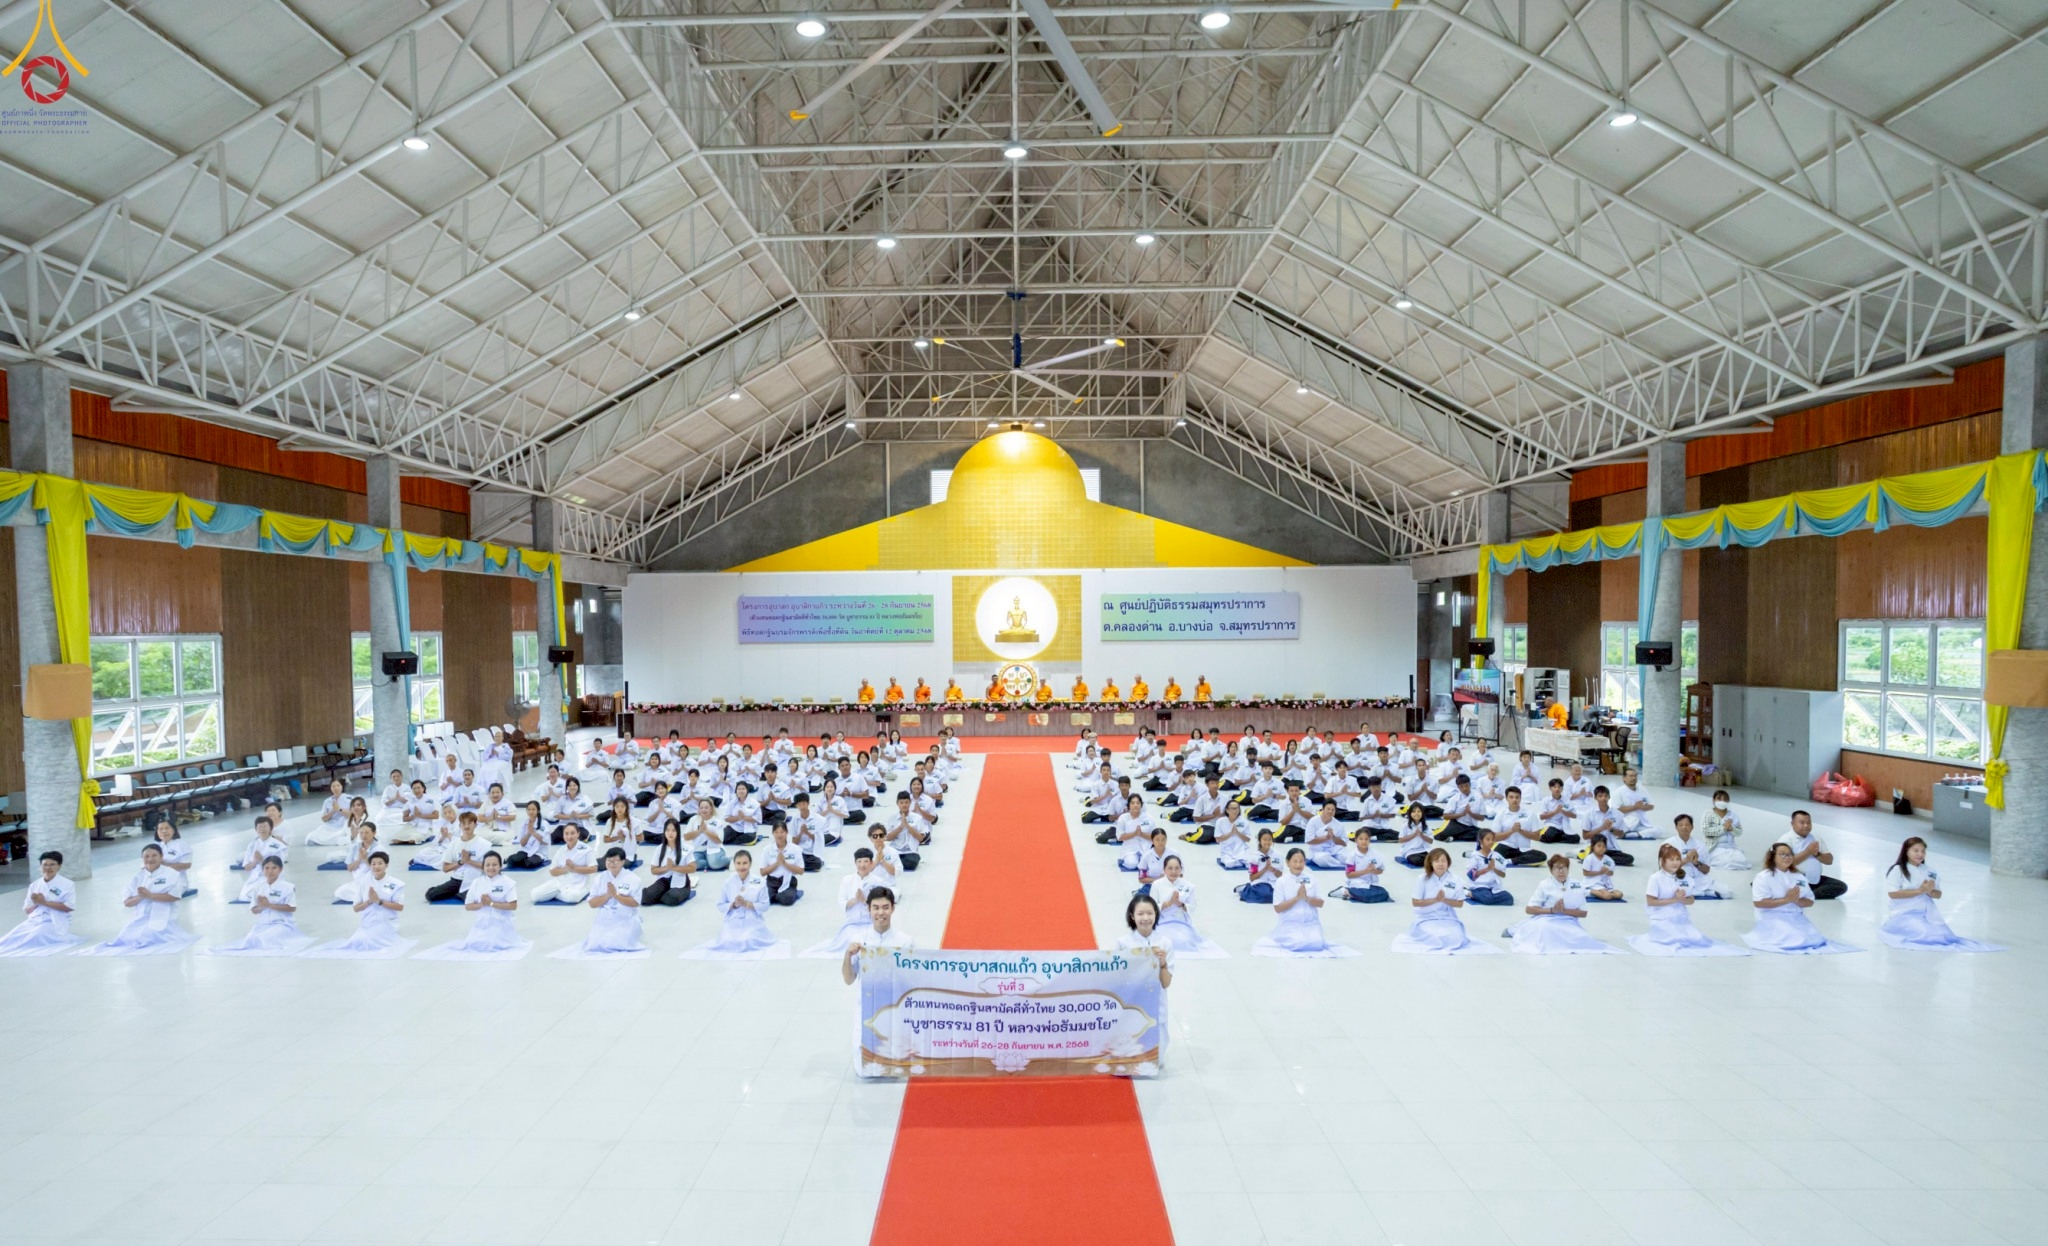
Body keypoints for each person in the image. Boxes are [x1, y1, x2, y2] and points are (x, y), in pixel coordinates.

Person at [1880, 837, 2002, 952]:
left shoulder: (1929, 870)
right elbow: (1893, 894)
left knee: (1943, 936)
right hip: (1904, 913)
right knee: (1924, 934)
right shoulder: (1898, 870)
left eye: (1923, 851)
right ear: (1906, 851)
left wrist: (1930, 892)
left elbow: (1938, 894)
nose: (1920, 854)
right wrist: (1920, 891)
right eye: (1916, 851)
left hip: (1926, 913)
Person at [1629, 844, 1749, 957]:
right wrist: (1674, 899)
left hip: (1680, 918)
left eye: (1677, 859)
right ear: (1662, 861)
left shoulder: (1685, 878)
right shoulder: (1655, 878)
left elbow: (1691, 900)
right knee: (1672, 939)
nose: (1675, 863)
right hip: (1661, 918)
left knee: (1696, 939)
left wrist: (1682, 900)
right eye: (1671, 860)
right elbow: (1651, 902)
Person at [78, 843, 197, 956]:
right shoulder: (138, 877)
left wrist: (150, 896)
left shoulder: (171, 874)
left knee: (147, 936)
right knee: (126, 937)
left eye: (154, 855)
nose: (150, 859)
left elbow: (175, 896)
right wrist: (141, 896)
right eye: (147, 856)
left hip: (163, 916)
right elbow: (127, 902)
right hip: (140, 917)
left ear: (161, 857)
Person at [1744, 842, 1860, 954]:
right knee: (1796, 939)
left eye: (1789, 854)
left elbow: (1810, 901)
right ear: (1772, 857)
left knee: (1815, 939)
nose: (1786, 857)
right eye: (1782, 854)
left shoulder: (1798, 877)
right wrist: (1786, 900)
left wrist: (1798, 901)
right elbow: (1759, 903)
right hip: (1772, 917)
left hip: (1796, 916)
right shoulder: (1763, 877)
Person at [415, 851, 532, 960]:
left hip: (502, 923)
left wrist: (491, 903)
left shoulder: (508, 882)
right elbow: (468, 906)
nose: (491, 868)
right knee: (476, 946)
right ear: (483, 867)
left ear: (500, 866)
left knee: (497, 945)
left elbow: (513, 906)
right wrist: (481, 904)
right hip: (481, 924)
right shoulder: (477, 882)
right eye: (488, 865)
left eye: (495, 865)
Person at [302, 852, 415, 959]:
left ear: (386, 865)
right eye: (373, 864)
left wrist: (379, 901)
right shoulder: (364, 882)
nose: (376, 866)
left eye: (380, 863)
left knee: (374, 942)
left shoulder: (396, 884)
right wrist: (369, 901)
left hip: (386, 923)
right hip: (367, 923)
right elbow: (356, 908)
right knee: (359, 942)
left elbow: (400, 907)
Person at [1504, 855, 1624, 954]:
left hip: (1568, 921)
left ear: (1568, 869)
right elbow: (1529, 909)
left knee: (1580, 938)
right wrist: (1553, 910)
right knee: (1544, 930)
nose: (1561, 871)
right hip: (1546, 918)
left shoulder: (1577, 885)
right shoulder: (1544, 884)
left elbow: (1583, 913)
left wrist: (1564, 911)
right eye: (1557, 868)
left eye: (1564, 868)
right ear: (1551, 870)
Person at [1391, 848, 1500, 955]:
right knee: (1436, 938)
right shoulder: (1422, 879)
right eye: (1437, 861)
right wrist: (1435, 900)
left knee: (1456, 938)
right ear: (1431, 863)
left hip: (1448, 917)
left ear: (1448, 862)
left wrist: (1444, 900)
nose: (1440, 864)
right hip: (1426, 917)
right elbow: (1415, 902)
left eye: (1443, 861)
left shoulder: (1456, 880)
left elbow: (1460, 904)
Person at [683, 850, 790, 959]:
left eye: (745, 863)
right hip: (733, 919)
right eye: (738, 863)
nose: (741, 867)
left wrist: (747, 904)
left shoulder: (759, 882)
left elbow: (765, 905)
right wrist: (733, 905)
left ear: (750, 864)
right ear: (734, 865)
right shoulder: (728, 882)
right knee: (728, 941)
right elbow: (720, 905)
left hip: (752, 919)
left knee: (749, 940)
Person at [1252, 848, 1358, 957]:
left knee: (1317, 943)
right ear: (1288, 862)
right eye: (1295, 861)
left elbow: (1320, 903)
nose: (1298, 865)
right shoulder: (1281, 881)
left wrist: (1307, 898)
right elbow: (1278, 908)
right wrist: (1297, 898)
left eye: (1301, 861)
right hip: (1290, 923)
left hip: (1310, 923)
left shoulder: (1312, 879)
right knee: (1297, 943)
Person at [209, 857, 315, 956]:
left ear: (280, 869)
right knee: (251, 939)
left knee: (267, 939)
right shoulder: (258, 887)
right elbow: (254, 910)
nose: (270, 871)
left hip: (282, 923)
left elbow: (292, 908)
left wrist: (269, 905)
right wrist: (262, 906)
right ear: (263, 870)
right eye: (267, 868)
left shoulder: (288, 887)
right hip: (263, 924)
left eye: (274, 868)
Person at [554, 848, 647, 959]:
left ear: (623, 862)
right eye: (608, 861)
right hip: (605, 916)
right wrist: (608, 895)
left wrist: (616, 895)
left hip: (626, 916)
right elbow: (592, 903)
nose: (611, 864)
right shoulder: (600, 878)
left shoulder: (634, 879)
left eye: (615, 861)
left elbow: (635, 903)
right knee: (595, 944)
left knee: (618, 943)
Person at [0, 851, 81, 956]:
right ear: (40, 866)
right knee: (12, 936)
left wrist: (44, 902)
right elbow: (27, 910)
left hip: (55, 920)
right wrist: (36, 903)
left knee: (36, 935)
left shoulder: (67, 884)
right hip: (35, 919)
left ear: (59, 866)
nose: (48, 868)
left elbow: (69, 907)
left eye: (52, 865)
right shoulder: (35, 885)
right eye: (45, 865)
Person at [1149, 854, 1225, 958]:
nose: (1174, 871)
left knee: (1183, 941)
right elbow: (1150, 908)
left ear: (1181, 869)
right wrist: (1168, 903)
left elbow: (1192, 906)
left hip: (1181, 921)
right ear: (1164, 870)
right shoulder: (1156, 884)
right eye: (1170, 868)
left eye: (1177, 868)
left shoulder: (1188, 886)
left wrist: (1181, 904)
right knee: (1163, 942)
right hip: (1161, 921)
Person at [839, 887, 913, 983]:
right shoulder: (858, 939)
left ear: (893, 909)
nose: (881, 912)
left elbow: (910, 979)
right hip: (866, 992)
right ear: (869, 909)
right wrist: (847, 955)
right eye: (876, 908)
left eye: (885, 907)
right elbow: (848, 980)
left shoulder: (905, 942)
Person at [1777, 810, 1845, 900]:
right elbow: (1783, 864)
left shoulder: (1815, 838)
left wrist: (1817, 854)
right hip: (1793, 878)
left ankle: (1806, 894)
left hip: (1813, 879)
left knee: (1840, 886)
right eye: (1802, 823)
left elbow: (1829, 861)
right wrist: (1807, 852)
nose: (1806, 825)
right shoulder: (1785, 840)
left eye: (1808, 823)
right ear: (1792, 823)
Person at [426, 813, 493, 903]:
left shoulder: (484, 844)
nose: (466, 826)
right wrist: (461, 862)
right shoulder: (454, 843)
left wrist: (469, 861)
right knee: (430, 895)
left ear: (475, 825)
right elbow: (445, 868)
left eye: (470, 823)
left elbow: (489, 868)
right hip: (457, 880)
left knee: (473, 899)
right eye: (464, 823)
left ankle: (461, 893)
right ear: (460, 825)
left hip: (476, 880)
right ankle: (458, 892)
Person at [1116, 893, 1176, 986]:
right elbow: (1118, 979)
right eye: (1140, 914)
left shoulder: (1165, 942)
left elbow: (1165, 984)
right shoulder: (1123, 943)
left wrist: (1163, 965)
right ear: (1132, 916)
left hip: (1156, 995)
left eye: (1150, 913)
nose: (1145, 918)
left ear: (1155, 914)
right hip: (1131, 994)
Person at [531, 823, 598, 904]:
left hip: (579, 883)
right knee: (534, 895)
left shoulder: (586, 849)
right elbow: (552, 871)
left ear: (578, 834)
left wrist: (574, 868)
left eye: (572, 833)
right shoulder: (561, 850)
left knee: (573, 897)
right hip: (560, 882)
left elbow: (594, 869)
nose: (569, 837)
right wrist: (566, 869)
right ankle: (558, 894)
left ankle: (554, 895)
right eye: (566, 834)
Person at [1660, 814, 1722, 898]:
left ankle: (1699, 891)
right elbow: (1664, 868)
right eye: (1681, 825)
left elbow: (1706, 870)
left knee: (1725, 892)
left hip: (1698, 879)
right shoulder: (1668, 844)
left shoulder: (1700, 845)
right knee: (1670, 891)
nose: (1684, 827)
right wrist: (1686, 859)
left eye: (1687, 825)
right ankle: (1705, 893)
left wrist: (1696, 863)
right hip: (1677, 877)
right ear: (1676, 827)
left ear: (1692, 827)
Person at [643, 819, 696, 907]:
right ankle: (661, 894)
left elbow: (692, 868)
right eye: (667, 830)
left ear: (678, 832)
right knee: (646, 897)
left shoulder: (686, 848)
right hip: (664, 880)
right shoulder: (659, 849)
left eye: (673, 830)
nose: (670, 833)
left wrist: (674, 868)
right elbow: (653, 870)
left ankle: (666, 894)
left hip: (681, 881)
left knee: (671, 898)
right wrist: (666, 868)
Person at [1701, 789, 1750, 871]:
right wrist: (1723, 828)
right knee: (1727, 862)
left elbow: (1739, 832)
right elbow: (1706, 831)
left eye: (1725, 799)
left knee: (1742, 861)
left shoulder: (1732, 815)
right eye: (1719, 799)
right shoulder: (1708, 814)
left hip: (1730, 847)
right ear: (1713, 800)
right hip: (1715, 847)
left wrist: (1731, 829)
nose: (1722, 801)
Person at [1337, 828, 1390, 903]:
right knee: (1367, 895)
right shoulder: (1352, 856)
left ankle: (1351, 894)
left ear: (1369, 840)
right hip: (1357, 882)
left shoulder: (1375, 854)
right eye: (1361, 839)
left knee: (1384, 894)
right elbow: (1349, 875)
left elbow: (1381, 870)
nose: (1364, 841)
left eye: (1366, 839)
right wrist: (1365, 871)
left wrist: (1375, 871)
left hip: (1371, 883)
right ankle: (1348, 891)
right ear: (1356, 840)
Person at [1463, 830, 1514, 907]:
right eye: (1488, 839)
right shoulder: (1475, 856)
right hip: (1479, 886)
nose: (1491, 842)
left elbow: (1503, 875)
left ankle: (1483, 897)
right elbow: (1471, 875)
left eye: (1492, 839)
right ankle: (1467, 892)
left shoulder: (1496, 855)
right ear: (1481, 841)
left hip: (1493, 887)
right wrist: (1487, 869)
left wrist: (1494, 869)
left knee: (1509, 899)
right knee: (1487, 898)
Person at [307, 777, 354, 847]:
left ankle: (337, 839)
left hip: (344, 825)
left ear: (342, 786)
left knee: (340, 836)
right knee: (310, 837)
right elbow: (324, 819)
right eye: (333, 786)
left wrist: (339, 809)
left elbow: (353, 815)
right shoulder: (327, 801)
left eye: (338, 786)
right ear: (331, 788)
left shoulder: (350, 798)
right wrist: (333, 811)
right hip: (331, 826)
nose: (336, 788)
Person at [1580, 834, 1625, 902]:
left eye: (1604, 846)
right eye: (1599, 846)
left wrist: (1607, 872)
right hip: (1592, 882)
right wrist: (1600, 872)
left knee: (1619, 894)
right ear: (1593, 846)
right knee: (1607, 896)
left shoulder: (1608, 860)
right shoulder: (1589, 858)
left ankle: (1605, 894)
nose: (1602, 848)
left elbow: (1611, 873)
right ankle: (1589, 891)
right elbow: (1585, 873)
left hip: (1605, 883)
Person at [1394, 803, 1433, 868]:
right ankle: (1428, 862)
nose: (1416, 813)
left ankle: (1429, 861)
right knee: (1417, 861)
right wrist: (1414, 835)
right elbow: (1401, 840)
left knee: (1437, 857)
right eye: (1414, 811)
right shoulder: (1405, 826)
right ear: (1410, 813)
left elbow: (1431, 841)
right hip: (1411, 851)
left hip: (1424, 850)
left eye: (1419, 811)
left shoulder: (1425, 826)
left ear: (1422, 813)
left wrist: (1422, 835)